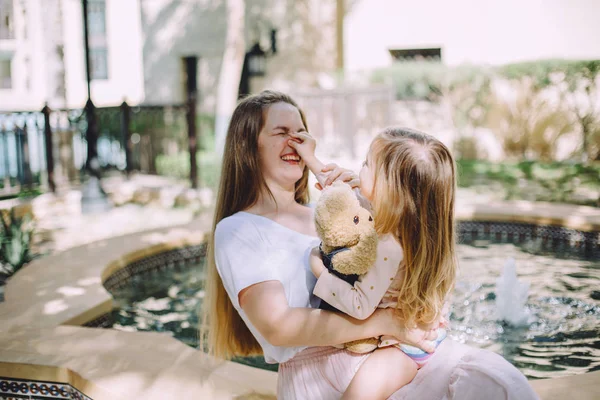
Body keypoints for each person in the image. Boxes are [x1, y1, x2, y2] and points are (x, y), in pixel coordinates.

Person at [202, 90, 539, 400]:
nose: (296, 140)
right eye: (281, 132)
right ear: (248, 146)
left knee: (501, 383)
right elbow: (278, 326)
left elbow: (401, 218)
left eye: (302, 131)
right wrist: (388, 323)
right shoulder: (238, 230)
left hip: (395, 352)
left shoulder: (329, 212)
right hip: (328, 376)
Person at [288, 127, 455, 399]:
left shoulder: (390, 247)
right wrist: (311, 158)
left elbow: (360, 307)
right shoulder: (410, 222)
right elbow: (341, 197)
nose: (358, 168)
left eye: (367, 164)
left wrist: (319, 269)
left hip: (403, 348)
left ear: (389, 190)